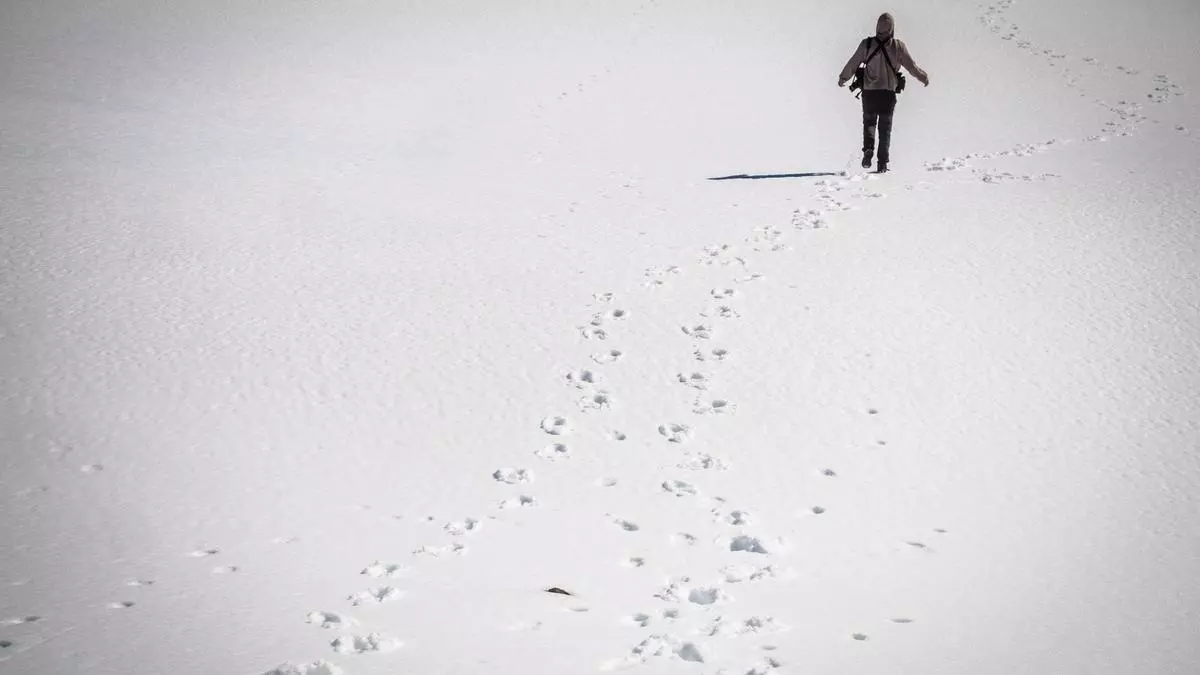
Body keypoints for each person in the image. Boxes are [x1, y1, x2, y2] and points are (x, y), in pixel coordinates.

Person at [837, 13, 929, 173]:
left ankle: (868, 149)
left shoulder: (867, 44)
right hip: (888, 94)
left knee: (869, 123)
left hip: (869, 93)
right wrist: (923, 77)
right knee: (885, 129)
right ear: (892, 28)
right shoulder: (898, 46)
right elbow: (911, 66)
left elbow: (853, 62)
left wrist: (843, 78)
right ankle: (882, 164)